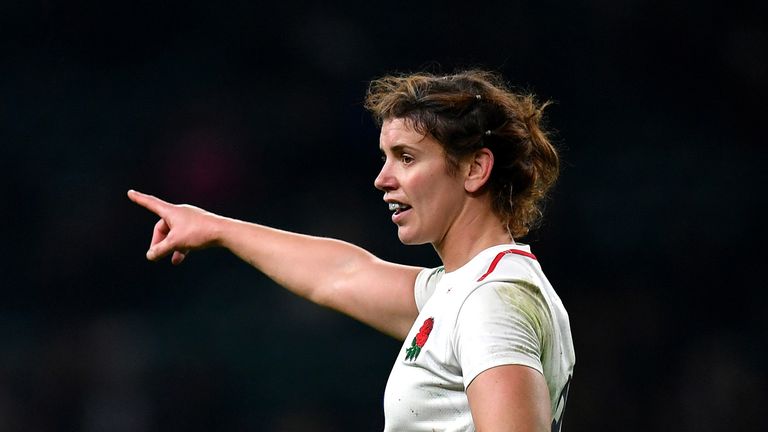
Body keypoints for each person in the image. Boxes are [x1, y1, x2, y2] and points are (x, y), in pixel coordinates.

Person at [128, 69, 575, 432]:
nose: (383, 178)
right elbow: (342, 274)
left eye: (406, 157)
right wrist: (215, 227)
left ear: (475, 168)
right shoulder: (466, 288)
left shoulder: (491, 302)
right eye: (385, 157)